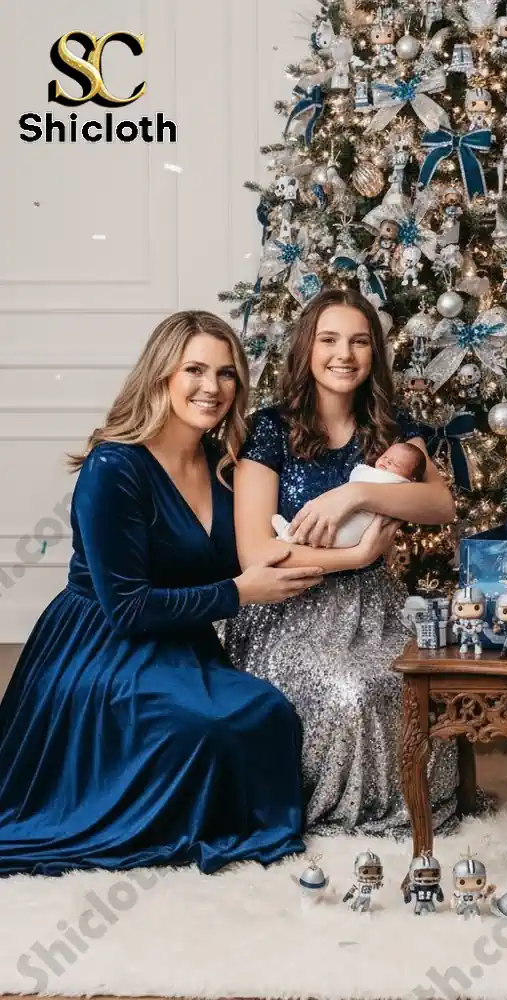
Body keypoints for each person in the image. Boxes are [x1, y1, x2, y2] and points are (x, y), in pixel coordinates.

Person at [0, 311, 326, 877]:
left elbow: (252, 548)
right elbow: (127, 607)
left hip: (183, 639)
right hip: (103, 645)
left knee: (266, 711)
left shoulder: (223, 463)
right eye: (194, 370)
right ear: (161, 376)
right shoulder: (114, 467)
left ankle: (222, 823)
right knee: (203, 726)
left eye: (227, 374)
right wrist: (240, 593)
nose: (212, 388)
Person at [225, 287, 461, 837]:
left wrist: (353, 497)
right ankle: (341, 813)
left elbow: (440, 504)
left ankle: (415, 806)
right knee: (347, 688)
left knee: (414, 679)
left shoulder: (394, 432)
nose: (344, 354)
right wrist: (354, 554)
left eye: (359, 342)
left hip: (373, 604)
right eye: (329, 339)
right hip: (289, 607)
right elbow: (257, 550)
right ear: (307, 348)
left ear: (374, 354)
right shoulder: (269, 429)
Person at [271, 440, 427, 548]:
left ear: (411, 478)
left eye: (395, 463)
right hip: (356, 525)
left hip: (358, 528)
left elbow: (361, 478)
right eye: (385, 457)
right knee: (320, 526)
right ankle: (293, 533)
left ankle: (290, 535)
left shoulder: (397, 482)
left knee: (328, 533)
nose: (386, 462)